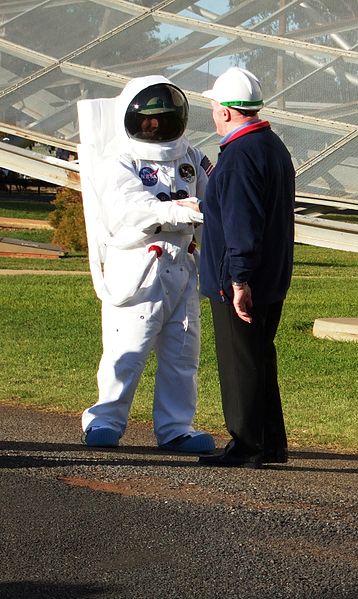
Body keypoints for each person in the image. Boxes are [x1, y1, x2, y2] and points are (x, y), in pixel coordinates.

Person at [77, 75, 215, 453]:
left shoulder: (190, 156)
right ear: (130, 116)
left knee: (182, 353)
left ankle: (175, 428)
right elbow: (128, 208)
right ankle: (103, 420)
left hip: (183, 264)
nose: (153, 126)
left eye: (162, 117)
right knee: (128, 350)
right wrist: (176, 210)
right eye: (146, 118)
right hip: (139, 265)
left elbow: (213, 191)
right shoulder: (119, 160)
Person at [195, 67, 295, 468]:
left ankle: (247, 444)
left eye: (215, 105)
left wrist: (239, 278)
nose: (213, 111)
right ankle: (271, 443)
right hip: (272, 273)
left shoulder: (238, 156)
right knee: (260, 358)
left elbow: (241, 222)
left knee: (241, 363)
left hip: (242, 278)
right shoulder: (273, 146)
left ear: (226, 112)